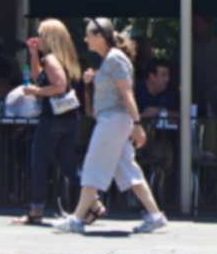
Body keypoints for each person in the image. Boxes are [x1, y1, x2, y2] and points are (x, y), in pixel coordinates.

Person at [57, 18, 168, 234]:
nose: (85, 39)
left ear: (100, 37)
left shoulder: (114, 58)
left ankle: (77, 219)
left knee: (93, 166)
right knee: (129, 170)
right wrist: (96, 76)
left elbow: (127, 93)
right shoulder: (112, 59)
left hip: (113, 121)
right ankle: (155, 215)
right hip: (115, 120)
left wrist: (137, 124)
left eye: (88, 35)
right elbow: (118, 85)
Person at [14, 19, 86, 226]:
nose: (37, 37)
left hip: (53, 119)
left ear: (50, 37)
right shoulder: (63, 59)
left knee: (39, 162)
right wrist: (33, 53)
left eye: (40, 34)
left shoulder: (52, 60)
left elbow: (59, 87)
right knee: (68, 166)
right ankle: (94, 204)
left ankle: (36, 210)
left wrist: (34, 92)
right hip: (69, 119)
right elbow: (39, 79)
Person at [191, 15, 217, 102]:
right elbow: (175, 70)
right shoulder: (187, 46)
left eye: (196, 23)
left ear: (207, 25)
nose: (192, 26)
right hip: (193, 99)